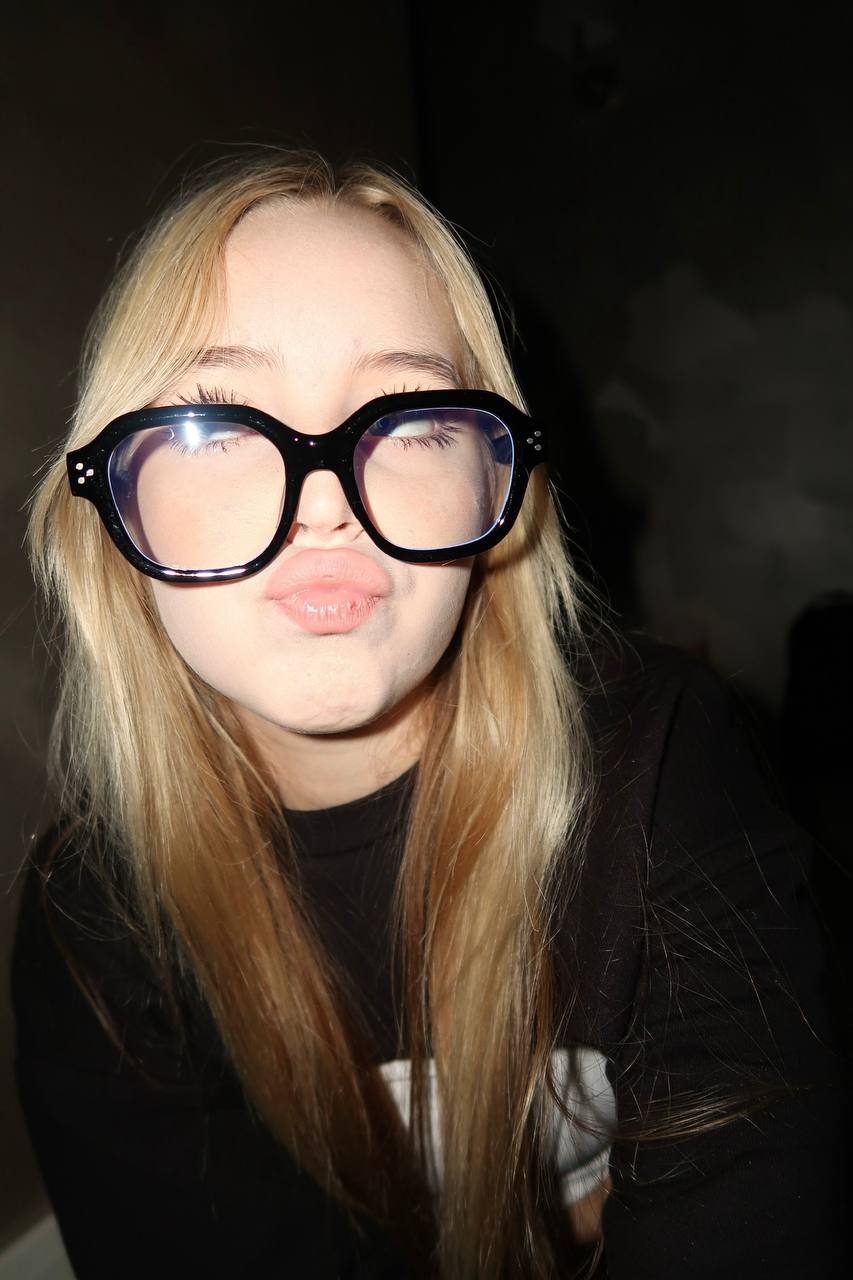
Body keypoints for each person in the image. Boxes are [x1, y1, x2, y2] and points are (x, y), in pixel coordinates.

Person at [12, 151, 846, 1280]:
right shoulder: (95, 923)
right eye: (215, 419)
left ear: (496, 485)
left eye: (410, 420)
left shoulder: (658, 764)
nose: (323, 502)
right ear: (110, 498)